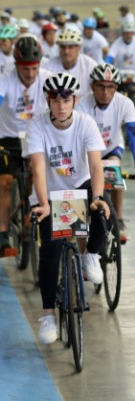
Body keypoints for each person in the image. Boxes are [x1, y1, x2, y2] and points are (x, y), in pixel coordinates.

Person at [25, 73, 110, 344]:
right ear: (47, 100)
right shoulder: (37, 126)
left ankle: (92, 255)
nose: (61, 106)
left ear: (74, 100)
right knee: (50, 250)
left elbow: (96, 165)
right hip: (50, 195)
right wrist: (43, 203)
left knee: (104, 208)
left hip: (80, 187)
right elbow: (38, 169)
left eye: (66, 99)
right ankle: (49, 313)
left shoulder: (86, 123)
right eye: (55, 100)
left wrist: (96, 196)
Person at [76, 63, 135, 242]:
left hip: (111, 147)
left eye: (110, 87)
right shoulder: (82, 105)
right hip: (88, 150)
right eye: (101, 87)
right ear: (92, 87)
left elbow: (132, 135)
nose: (105, 92)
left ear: (116, 88)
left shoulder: (125, 103)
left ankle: (119, 218)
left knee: (115, 170)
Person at [0, 35, 53, 251]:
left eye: (34, 68)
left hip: (36, 135)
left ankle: (34, 215)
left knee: (37, 176)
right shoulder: (5, 78)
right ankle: (3, 231)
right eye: (25, 69)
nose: (30, 74)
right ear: (16, 65)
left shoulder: (47, 78)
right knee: (4, 182)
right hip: (8, 137)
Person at [43, 29, 98, 97]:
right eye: (63, 47)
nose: (66, 51)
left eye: (70, 47)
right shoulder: (49, 66)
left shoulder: (90, 66)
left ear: (79, 48)